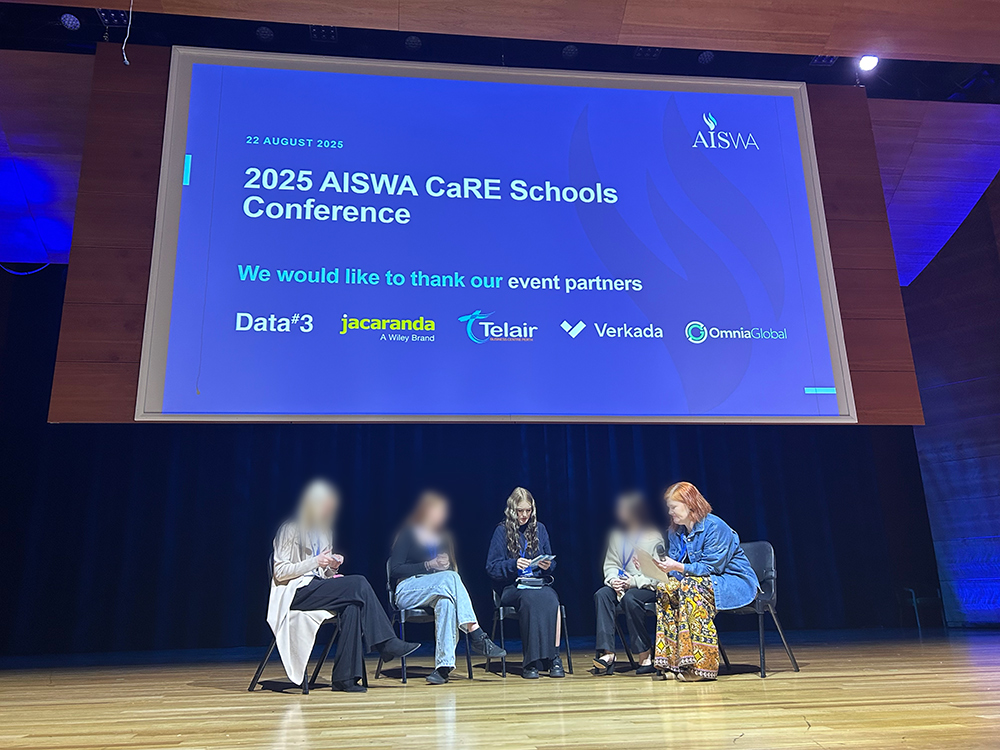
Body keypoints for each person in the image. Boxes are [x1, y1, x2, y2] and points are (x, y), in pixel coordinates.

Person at [268, 479, 420, 693]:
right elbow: (280, 572)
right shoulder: (290, 528)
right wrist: (315, 562)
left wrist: (332, 568)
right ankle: (387, 643)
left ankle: (344, 679)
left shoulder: (325, 531)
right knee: (359, 582)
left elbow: (324, 573)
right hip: (296, 592)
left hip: (317, 588)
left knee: (353, 607)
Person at [389, 490, 507, 684]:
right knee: (450, 580)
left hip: (438, 588)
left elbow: (451, 572)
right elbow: (395, 569)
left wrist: (444, 566)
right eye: (438, 512)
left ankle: (443, 668)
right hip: (408, 589)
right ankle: (476, 633)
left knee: (447, 603)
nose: (441, 516)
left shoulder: (443, 538)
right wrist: (428, 565)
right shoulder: (409, 533)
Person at [650, 481, 759, 682]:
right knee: (666, 588)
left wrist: (678, 567)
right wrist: (662, 568)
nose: (670, 512)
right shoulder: (676, 531)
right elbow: (675, 569)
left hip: (731, 581)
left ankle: (702, 667)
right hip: (694, 582)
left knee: (691, 587)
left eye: (673, 507)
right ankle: (675, 663)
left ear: (690, 504)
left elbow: (713, 568)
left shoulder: (715, 527)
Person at [485, 487, 565, 679]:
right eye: (520, 511)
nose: (524, 515)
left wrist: (547, 565)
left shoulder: (540, 529)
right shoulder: (501, 531)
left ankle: (553, 657)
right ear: (512, 510)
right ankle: (531, 661)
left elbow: (552, 563)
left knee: (552, 599)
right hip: (512, 587)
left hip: (536, 583)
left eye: (528, 511)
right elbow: (492, 567)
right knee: (530, 600)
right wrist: (514, 564)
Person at [593, 491, 664, 676]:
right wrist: (613, 580)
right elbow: (610, 565)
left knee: (631, 599)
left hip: (645, 586)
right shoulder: (617, 536)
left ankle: (645, 655)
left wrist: (632, 582)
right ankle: (607, 654)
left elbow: (658, 575)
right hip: (621, 586)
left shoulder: (652, 537)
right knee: (602, 594)